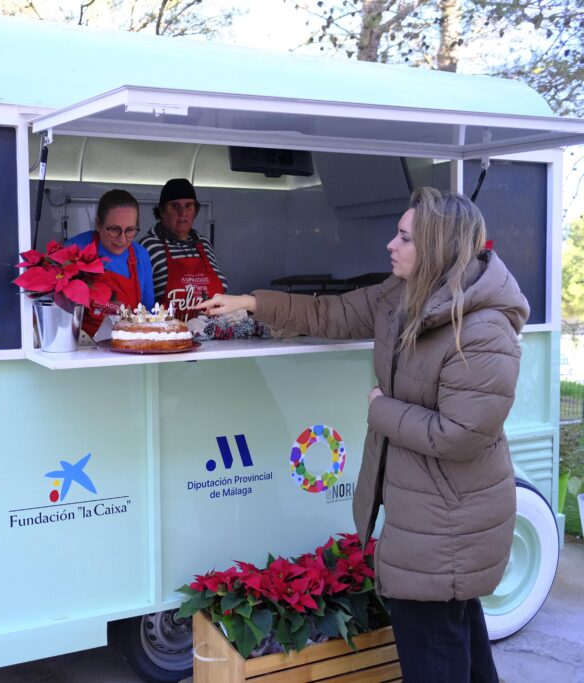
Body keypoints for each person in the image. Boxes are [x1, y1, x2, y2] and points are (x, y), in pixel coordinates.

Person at [199, 187, 527, 683]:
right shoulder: (403, 296)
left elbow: (462, 435)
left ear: (437, 248)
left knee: (435, 651)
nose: (389, 247)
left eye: (403, 237)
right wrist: (248, 302)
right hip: (430, 518)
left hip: (448, 527)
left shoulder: (482, 330)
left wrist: (382, 410)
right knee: (459, 640)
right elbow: (328, 314)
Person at [66, 189, 155, 337]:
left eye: (130, 230)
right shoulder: (74, 249)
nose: (122, 239)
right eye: (114, 229)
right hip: (83, 349)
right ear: (98, 224)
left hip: (126, 347)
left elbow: (148, 310)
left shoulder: (141, 256)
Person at [139, 178, 228, 314]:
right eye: (175, 206)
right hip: (170, 333)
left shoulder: (203, 243)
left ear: (195, 210)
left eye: (188, 206)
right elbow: (140, 300)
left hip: (213, 330)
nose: (183, 212)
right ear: (162, 211)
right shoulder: (148, 246)